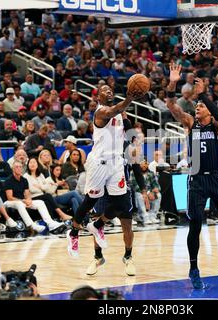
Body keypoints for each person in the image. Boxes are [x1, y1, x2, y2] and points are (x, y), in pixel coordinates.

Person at [166, 62, 218, 290]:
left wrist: (204, 95)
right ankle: (193, 268)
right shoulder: (191, 124)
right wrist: (173, 82)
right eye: (197, 106)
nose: (198, 108)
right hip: (197, 180)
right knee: (196, 225)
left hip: (216, 178)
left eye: (201, 106)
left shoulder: (215, 127)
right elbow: (171, 104)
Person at [65, 84, 143, 265]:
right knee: (90, 200)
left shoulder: (119, 114)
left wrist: (125, 112)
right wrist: (130, 98)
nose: (109, 91)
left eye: (110, 90)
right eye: (104, 90)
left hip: (116, 162)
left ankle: (97, 225)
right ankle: (74, 233)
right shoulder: (101, 112)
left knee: (122, 203)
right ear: (98, 97)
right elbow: (114, 109)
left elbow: (129, 130)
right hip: (99, 162)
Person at [3, 161, 61, 234]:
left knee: (40, 202)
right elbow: (10, 197)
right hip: (8, 203)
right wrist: (24, 201)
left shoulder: (24, 180)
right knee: (19, 204)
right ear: (13, 169)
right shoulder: (8, 180)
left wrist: (29, 200)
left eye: (20, 167)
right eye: (16, 167)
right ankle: (32, 225)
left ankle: (50, 223)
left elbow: (27, 194)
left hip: (21, 201)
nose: (19, 168)